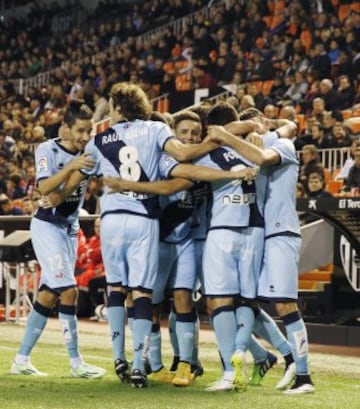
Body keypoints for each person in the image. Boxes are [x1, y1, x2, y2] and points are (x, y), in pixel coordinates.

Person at [48, 82, 230, 389]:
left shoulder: (100, 139)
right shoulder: (156, 131)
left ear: (118, 108)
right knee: (143, 294)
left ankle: (117, 357)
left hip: (112, 219)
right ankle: (137, 365)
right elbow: (184, 153)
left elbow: (75, 178)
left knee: (116, 289)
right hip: (144, 218)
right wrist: (216, 141)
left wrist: (56, 192)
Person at [208, 108, 315, 394]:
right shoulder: (255, 144)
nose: (257, 127)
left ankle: (304, 376)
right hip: (261, 234)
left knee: (285, 305)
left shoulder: (282, 146)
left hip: (282, 232)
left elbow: (263, 157)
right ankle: (286, 357)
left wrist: (228, 135)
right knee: (251, 303)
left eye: (259, 121)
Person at [11, 100, 106, 379]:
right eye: (80, 130)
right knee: (69, 289)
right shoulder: (47, 149)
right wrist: (71, 166)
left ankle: (21, 359)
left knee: (49, 293)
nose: (85, 136)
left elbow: (57, 193)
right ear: (65, 129)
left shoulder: (89, 152)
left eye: (88, 131)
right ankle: (76, 363)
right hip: (47, 225)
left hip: (70, 227)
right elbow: (44, 186)